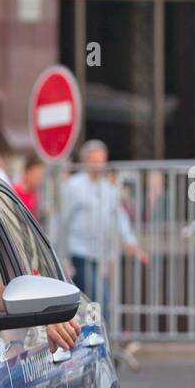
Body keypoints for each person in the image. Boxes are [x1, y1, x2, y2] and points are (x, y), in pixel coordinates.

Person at [58, 139, 147, 331]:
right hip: (79, 250)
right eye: (94, 161)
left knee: (91, 300)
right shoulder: (74, 186)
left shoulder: (108, 187)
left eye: (101, 161)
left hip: (100, 252)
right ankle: (97, 333)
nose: (98, 165)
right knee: (99, 297)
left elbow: (119, 217)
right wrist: (60, 252)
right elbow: (62, 219)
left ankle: (92, 333)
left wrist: (130, 241)